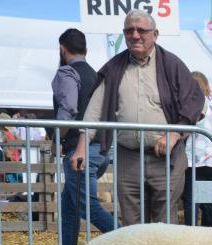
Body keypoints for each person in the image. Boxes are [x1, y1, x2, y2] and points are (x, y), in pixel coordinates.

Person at [72, 9, 204, 226]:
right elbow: (94, 112)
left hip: (166, 158)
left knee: (164, 223)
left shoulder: (172, 65)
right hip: (128, 157)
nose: (134, 35)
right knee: (132, 224)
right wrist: (81, 147)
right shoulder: (114, 67)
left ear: (155, 34)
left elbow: (195, 102)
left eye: (141, 30)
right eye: (129, 30)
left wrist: (174, 133)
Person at [39, 28, 117, 245]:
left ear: (63, 48)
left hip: (79, 151)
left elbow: (68, 108)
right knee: (70, 206)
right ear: (85, 49)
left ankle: (131, 243)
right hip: (100, 150)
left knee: (88, 207)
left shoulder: (66, 72)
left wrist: (56, 138)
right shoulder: (96, 75)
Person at [182, 71, 212, 227]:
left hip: (197, 159)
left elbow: (183, 131)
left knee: (191, 201)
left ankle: (191, 235)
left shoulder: (192, 105)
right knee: (209, 200)